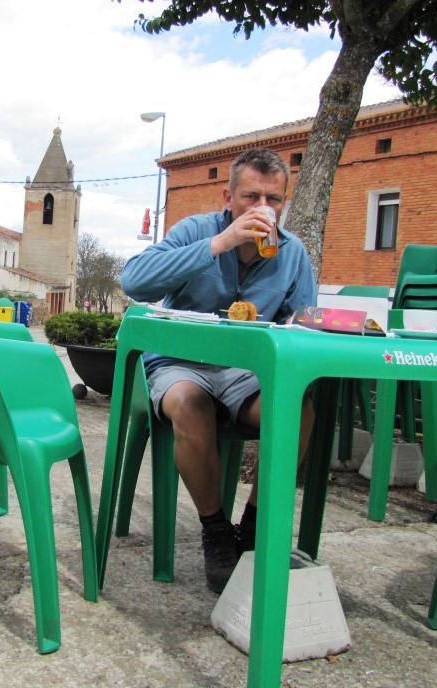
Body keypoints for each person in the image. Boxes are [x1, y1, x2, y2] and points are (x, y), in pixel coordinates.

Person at [120, 147, 318, 593]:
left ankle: (252, 529)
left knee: (295, 407)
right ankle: (215, 531)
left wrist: (297, 325)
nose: (263, 208)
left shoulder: (292, 253)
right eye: (251, 197)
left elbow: (304, 322)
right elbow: (133, 280)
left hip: (243, 372)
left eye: (273, 199)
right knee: (189, 403)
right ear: (228, 198)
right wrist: (221, 243)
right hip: (179, 364)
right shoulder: (197, 230)